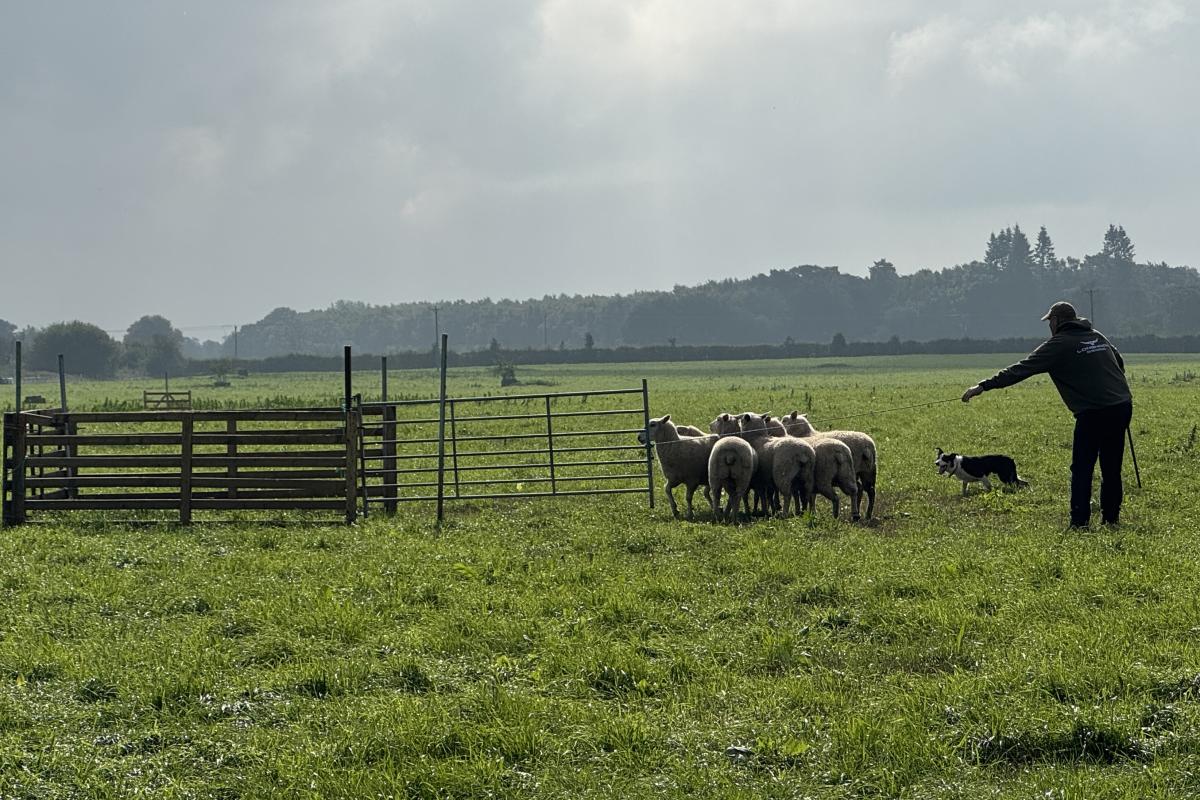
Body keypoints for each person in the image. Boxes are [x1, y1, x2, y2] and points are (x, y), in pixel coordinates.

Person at [961, 301, 1133, 528]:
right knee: (1111, 467)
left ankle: (1079, 523)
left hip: (1094, 412)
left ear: (1058, 321)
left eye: (1050, 321)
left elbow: (1021, 369)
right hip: (1121, 405)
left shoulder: (1058, 344)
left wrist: (983, 386)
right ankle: (1111, 520)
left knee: (1082, 468)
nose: (1049, 326)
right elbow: (1118, 360)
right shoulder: (1096, 336)